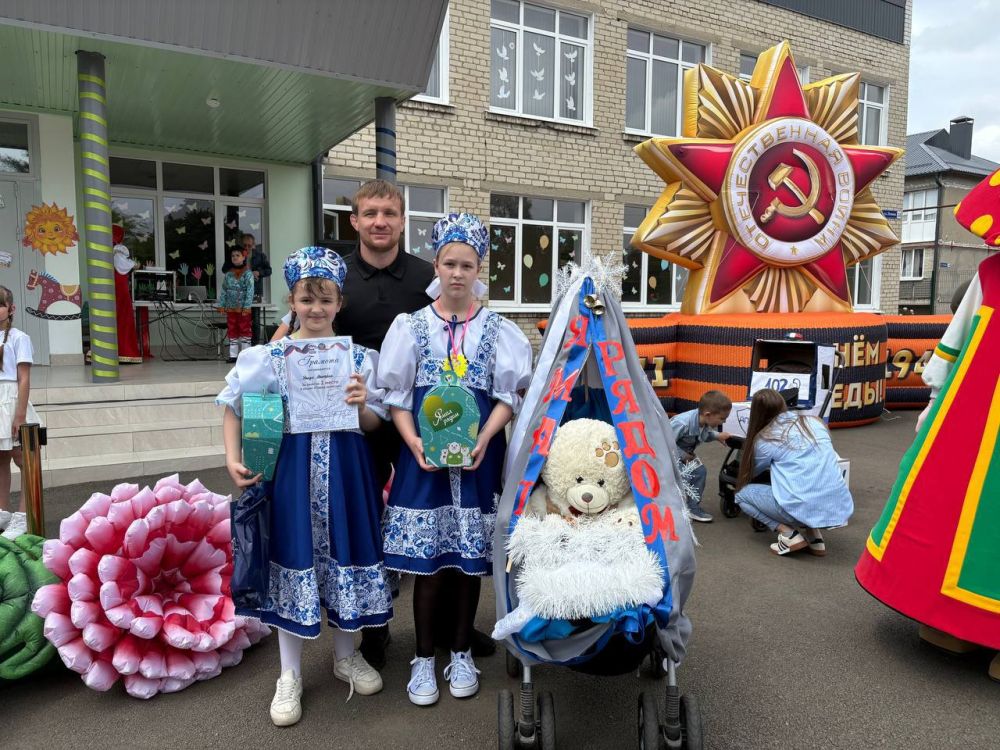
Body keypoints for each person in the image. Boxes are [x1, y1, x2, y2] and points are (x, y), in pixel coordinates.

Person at [217, 247, 393, 727]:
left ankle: (344, 655)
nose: (316, 309)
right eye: (306, 298)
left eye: (326, 299)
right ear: (291, 300)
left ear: (339, 302)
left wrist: (360, 403)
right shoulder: (269, 357)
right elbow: (232, 404)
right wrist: (233, 456)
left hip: (347, 472)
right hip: (291, 473)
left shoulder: (358, 357)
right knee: (293, 557)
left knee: (343, 554)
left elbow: (376, 423)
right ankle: (289, 674)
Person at [378, 212, 532, 706]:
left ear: (479, 267)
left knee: (467, 566)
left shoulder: (499, 329)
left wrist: (486, 437)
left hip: (477, 460)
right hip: (423, 462)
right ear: (436, 265)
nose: (458, 273)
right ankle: (424, 659)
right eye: (449, 263)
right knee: (428, 565)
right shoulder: (411, 327)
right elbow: (397, 397)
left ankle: (461, 651)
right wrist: (414, 443)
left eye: (467, 264)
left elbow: (509, 395)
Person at [855, 168, 1000, 681]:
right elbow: (956, 343)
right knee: (949, 508)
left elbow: (953, 346)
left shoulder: (990, 278)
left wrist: (937, 400)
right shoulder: (990, 278)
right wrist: (935, 401)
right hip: (971, 421)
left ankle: (969, 623)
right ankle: (955, 622)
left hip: (974, 422)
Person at [735, 388, 853, 556]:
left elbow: (754, 470)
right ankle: (814, 537)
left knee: (742, 496)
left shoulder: (766, 438)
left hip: (801, 506)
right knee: (809, 483)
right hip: (838, 508)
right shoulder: (815, 422)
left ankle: (788, 534)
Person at [0, 286, 39, 541]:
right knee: (0, 460)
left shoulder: (18, 337)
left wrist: (20, 414)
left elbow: (23, 378)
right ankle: (2, 511)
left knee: (23, 459)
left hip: (11, 400)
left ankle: (24, 515)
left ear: (11, 309)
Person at [669, 390, 732, 522]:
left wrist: (718, 436)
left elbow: (705, 433)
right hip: (669, 454)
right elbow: (665, 442)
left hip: (686, 453)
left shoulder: (703, 421)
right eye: (722, 418)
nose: (723, 422)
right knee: (683, 476)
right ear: (708, 414)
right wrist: (682, 455)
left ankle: (692, 507)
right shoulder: (682, 423)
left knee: (699, 471)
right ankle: (673, 509)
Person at [111, 224, 143, 363]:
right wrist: (135, 264)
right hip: (120, 291)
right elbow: (125, 266)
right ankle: (125, 351)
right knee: (122, 318)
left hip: (114, 290)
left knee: (115, 318)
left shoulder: (109, 252)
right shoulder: (117, 253)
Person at [218, 247, 254, 362]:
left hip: (243, 309)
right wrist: (222, 305)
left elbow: (250, 290)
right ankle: (233, 355)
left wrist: (247, 307)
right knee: (232, 329)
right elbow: (224, 290)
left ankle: (245, 355)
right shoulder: (228, 274)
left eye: (237, 255)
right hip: (231, 308)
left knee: (244, 329)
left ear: (243, 257)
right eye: (233, 256)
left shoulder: (248, 274)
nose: (234, 257)